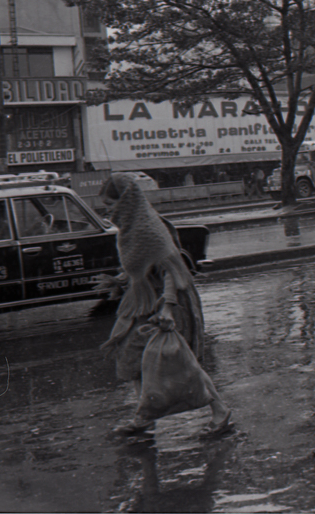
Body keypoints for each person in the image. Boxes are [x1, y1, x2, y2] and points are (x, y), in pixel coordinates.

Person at [97, 172, 231, 437]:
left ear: (125, 201)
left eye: (110, 204)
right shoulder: (131, 226)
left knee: (183, 361)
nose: (107, 210)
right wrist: (121, 280)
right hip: (144, 302)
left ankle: (219, 411)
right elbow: (141, 268)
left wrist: (167, 308)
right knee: (131, 355)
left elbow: (171, 270)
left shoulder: (148, 228)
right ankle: (144, 418)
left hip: (168, 301)